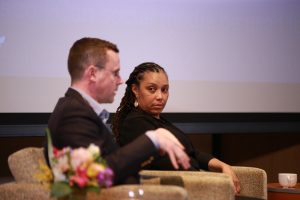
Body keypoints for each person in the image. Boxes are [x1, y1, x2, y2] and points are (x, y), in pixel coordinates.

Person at [47, 38, 190, 185]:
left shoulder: (78, 109)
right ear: (92, 74)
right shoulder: (73, 114)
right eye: (115, 73)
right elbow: (97, 175)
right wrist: (153, 139)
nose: (120, 80)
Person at [112, 62, 241, 193]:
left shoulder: (160, 121)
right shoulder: (135, 123)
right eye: (151, 89)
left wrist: (223, 166)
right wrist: (211, 183)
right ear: (135, 89)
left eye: (164, 90)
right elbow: (174, 164)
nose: (160, 97)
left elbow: (192, 153)